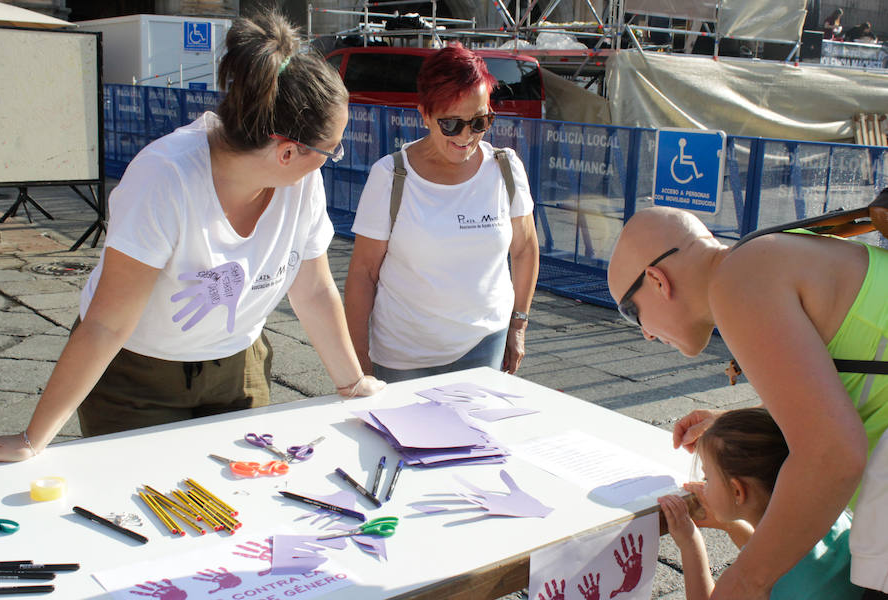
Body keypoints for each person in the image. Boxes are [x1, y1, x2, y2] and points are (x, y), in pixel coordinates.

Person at [0, 11, 384, 463]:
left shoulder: (300, 181)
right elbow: (106, 323)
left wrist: (352, 385)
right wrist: (33, 438)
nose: (332, 158)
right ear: (287, 150)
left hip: (238, 367)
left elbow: (313, 290)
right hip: (139, 379)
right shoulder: (165, 178)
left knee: (242, 499)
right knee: (139, 503)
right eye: (332, 150)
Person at [607, 205, 887, 599]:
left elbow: (832, 455)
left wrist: (744, 583)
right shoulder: (763, 256)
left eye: (631, 314)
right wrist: (752, 416)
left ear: (656, 279)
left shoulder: (737, 282)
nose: (647, 336)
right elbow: (848, 385)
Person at [344, 44, 540, 383]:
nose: (466, 137)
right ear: (424, 114)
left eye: (479, 122)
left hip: (485, 344)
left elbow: (524, 249)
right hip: (404, 356)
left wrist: (518, 324)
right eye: (451, 124)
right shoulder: (391, 175)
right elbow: (363, 273)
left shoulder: (505, 169)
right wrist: (358, 362)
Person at [658, 407, 862, 600]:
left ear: (737, 491)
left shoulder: (762, 578)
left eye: (707, 478)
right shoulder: (829, 517)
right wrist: (729, 525)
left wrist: (690, 542)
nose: (703, 485)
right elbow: (766, 549)